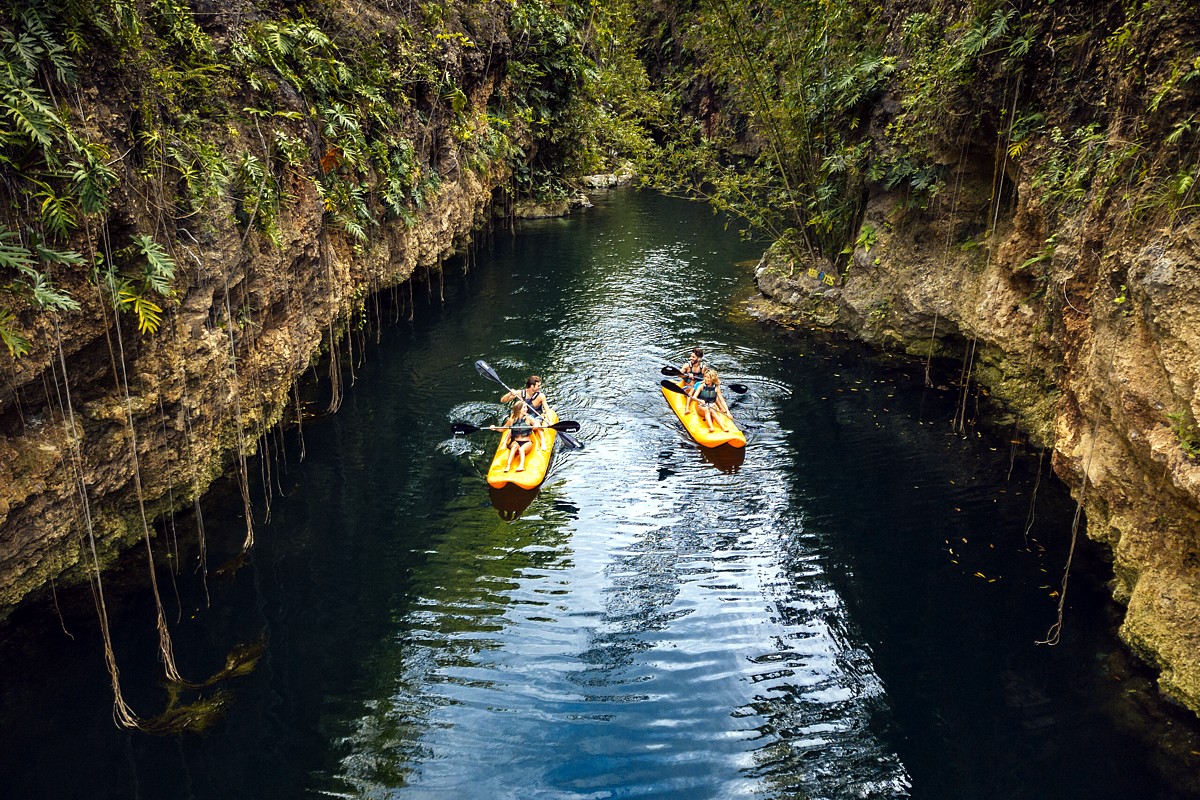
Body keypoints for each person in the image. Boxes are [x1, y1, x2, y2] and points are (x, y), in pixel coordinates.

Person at [501, 375, 552, 450]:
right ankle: (505, 442)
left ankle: (543, 442)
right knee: (514, 424)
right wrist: (510, 394)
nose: (540, 387)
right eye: (538, 385)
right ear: (532, 386)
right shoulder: (519, 393)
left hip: (536, 416)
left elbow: (547, 410)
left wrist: (550, 421)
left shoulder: (541, 396)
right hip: (522, 415)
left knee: (537, 424)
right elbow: (503, 400)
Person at [492, 400, 542, 472]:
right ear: (519, 410)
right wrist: (495, 428)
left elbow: (538, 427)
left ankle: (521, 466)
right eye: (524, 408)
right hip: (515, 441)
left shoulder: (528, 418)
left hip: (527, 442)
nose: (526, 409)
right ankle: (508, 466)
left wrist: (537, 425)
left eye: (526, 407)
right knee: (514, 447)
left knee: (521, 449)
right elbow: (502, 429)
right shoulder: (512, 420)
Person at [686, 368, 730, 433]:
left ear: (712, 379)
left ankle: (723, 427)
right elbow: (694, 397)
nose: (706, 379)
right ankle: (711, 427)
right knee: (707, 409)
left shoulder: (716, 388)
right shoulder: (701, 386)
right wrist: (699, 400)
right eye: (705, 377)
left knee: (713, 410)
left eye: (708, 377)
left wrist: (728, 412)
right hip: (701, 407)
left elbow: (722, 400)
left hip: (711, 406)